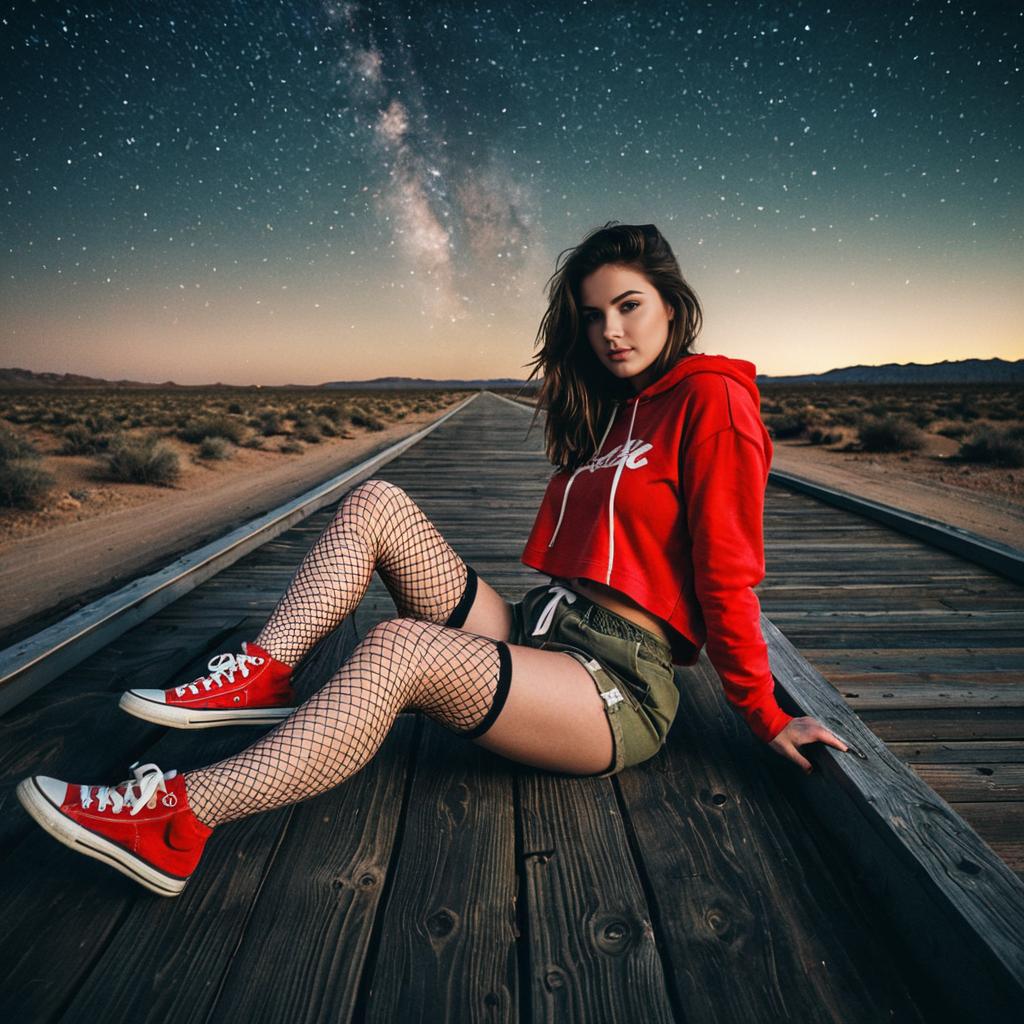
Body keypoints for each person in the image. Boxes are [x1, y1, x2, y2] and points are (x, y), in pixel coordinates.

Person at [16, 222, 847, 897]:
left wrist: (765, 714)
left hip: (614, 688)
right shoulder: (620, 411)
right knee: (379, 502)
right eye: (592, 316)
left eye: (628, 306)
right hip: (540, 630)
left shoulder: (714, 402)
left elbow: (728, 575)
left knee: (393, 649)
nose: (610, 331)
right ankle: (262, 671)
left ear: (673, 304)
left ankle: (173, 820)